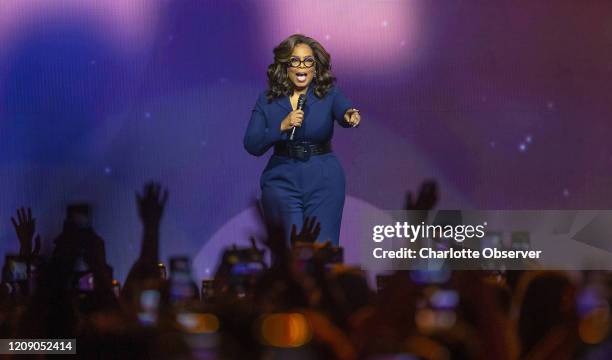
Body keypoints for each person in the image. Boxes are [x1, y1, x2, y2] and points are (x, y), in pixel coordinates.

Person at [244, 34, 361, 245]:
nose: (302, 66)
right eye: (295, 61)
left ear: (315, 68)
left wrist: (350, 116)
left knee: (321, 252)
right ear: (285, 67)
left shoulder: (329, 95)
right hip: (282, 180)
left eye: (308, 61)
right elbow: (252, 143)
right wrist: (281, 126)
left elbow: (345, 110)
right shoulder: (268, 99)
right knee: (289, 254)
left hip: (324, 181)